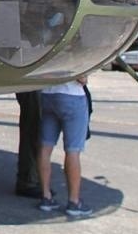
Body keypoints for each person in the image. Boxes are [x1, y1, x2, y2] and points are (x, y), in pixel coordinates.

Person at [36, 73, 93, 218]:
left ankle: (46, 197)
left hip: (47, 94)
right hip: (72, 95)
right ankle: (74, 201)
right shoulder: (74, 50)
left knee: (45, 147)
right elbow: (82, 79)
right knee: (73, 150)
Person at [14, 90, 44, 197]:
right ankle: (28, 180)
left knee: (33, 129)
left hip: (32, 86)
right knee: (33, 129)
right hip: (32, 87)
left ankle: (30, 178)